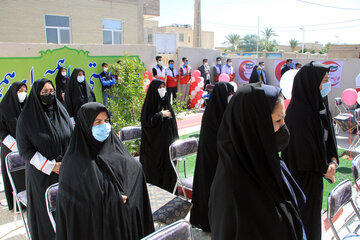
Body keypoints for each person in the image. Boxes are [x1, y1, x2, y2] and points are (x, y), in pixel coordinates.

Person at [208, 83, 306, 240]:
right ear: (254, 125)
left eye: (284, 120)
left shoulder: (267, 162)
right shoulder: (232, 191)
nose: (284, 129)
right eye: (278, 121)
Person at [56, 102, 154, 239]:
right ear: (85, 125)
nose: (104, 126)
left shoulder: (114, 147)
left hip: (127, 223)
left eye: (106, 121)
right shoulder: (73, 162)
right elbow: (75, 206)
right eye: (97, 122)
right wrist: (110, 200)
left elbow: (134, 169)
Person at [282, 61, 338, 240]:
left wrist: (333, 161)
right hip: (302, 180)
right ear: (310, 83)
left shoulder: (320, 105)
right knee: (303, 222)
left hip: (317, 176)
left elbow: (330, 137)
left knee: (313, 221)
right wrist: (324, 168)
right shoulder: (296, 114)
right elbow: (303, 152)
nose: (326, 85)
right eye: (323, 81)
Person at [16, 78, 73, 240]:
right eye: (44, 92)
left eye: (51, 91)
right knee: (47, 218)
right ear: (36, 94)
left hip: (66, 171)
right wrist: (51, 166)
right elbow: (25, 151)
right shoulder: (26, 119)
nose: (49, 95)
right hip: (42, 176)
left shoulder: (61, 111)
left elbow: (72, 137)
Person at [190, 82, 236, 232]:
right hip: (212, 163)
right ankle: (209, 222)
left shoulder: (224, 112)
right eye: (229, 93)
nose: (231, 97)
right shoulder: (211, 116)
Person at [140, 79, 179, 192]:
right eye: (159, 87)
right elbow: (147, 123)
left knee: (168, 171)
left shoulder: (166, 103)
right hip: (153, 148)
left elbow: (173, 125)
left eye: (163, 86)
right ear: (153, 89)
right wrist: (160, 115)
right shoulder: (149, 105)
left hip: (167, 146)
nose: (162, 89)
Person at [0, 82, 27, 210]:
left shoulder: (27, 107)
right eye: (20, 90)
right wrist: (17, 146)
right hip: (11, 148)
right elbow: (2, 131)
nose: (23, 93)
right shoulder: (4, 108)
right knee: (16, 177)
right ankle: (18, 204)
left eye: (24, 90)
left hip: (27, 148)